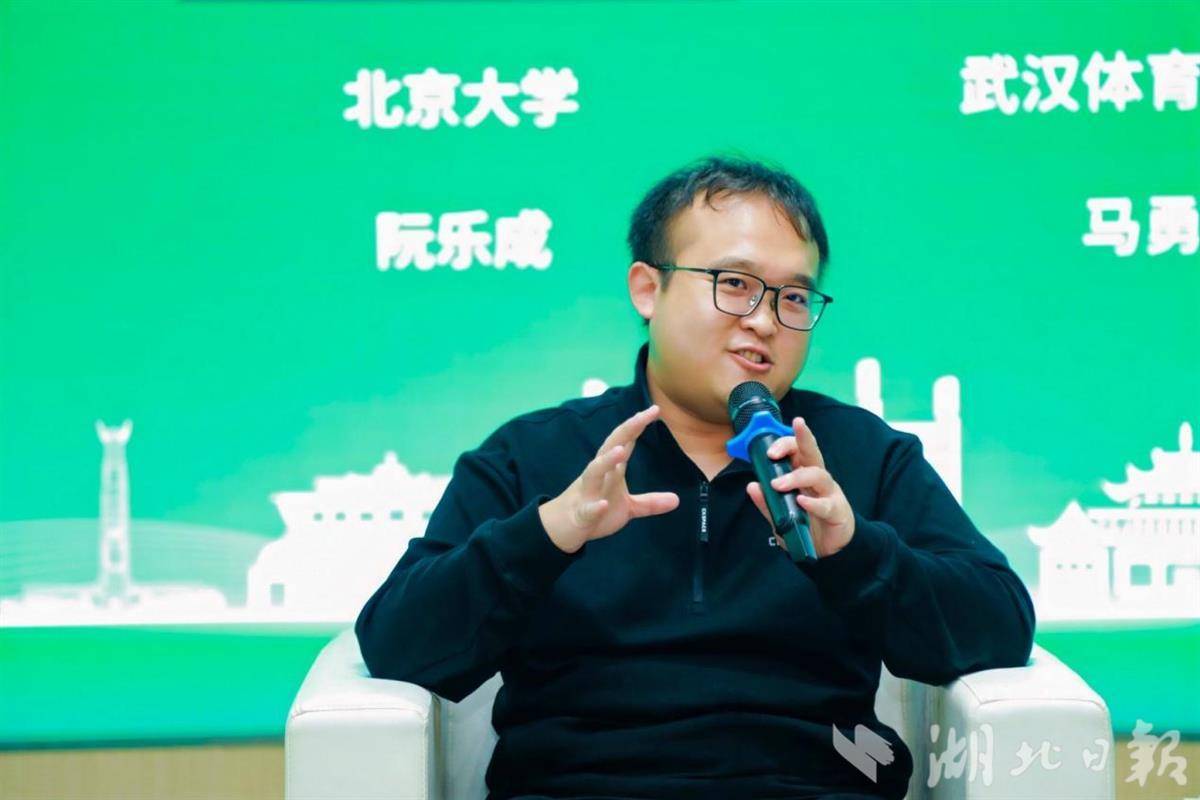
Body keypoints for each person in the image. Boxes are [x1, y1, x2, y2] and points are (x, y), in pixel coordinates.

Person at [355, 155, 1036, 800]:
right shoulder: (534, 455)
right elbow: (398, 647)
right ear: (647, 288)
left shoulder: (859, 455)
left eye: (794, 296)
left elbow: (1000, 626)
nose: (764, 321)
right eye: (734, 284)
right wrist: (550, 531)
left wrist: (855, 551)